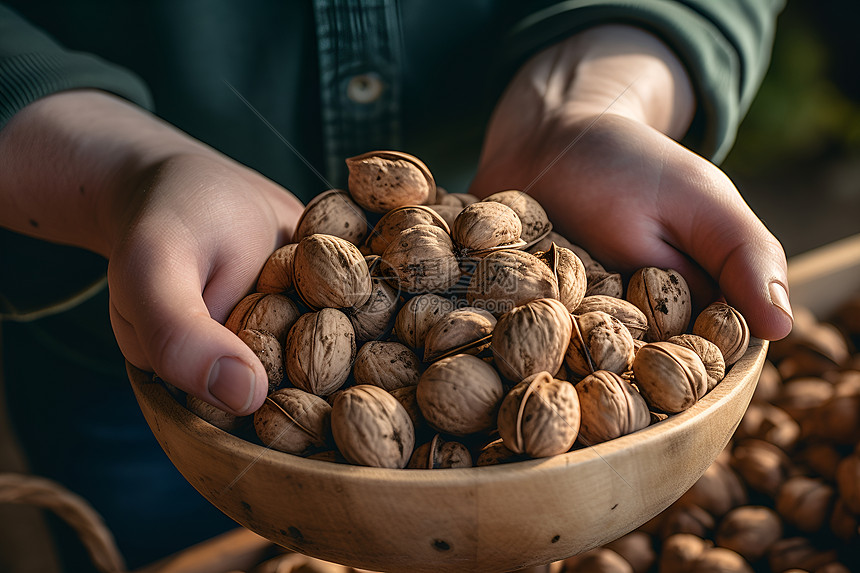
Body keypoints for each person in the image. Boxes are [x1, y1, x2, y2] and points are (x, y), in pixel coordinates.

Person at [0, 1, 791, 569]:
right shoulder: (337, 318)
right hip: (152, 325)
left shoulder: (511, 293)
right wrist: (124, 172)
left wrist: (600, 85)